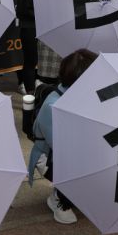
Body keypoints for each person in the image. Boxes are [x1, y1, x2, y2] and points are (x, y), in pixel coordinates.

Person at [28, 48, 97, 224]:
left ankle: (68, 191)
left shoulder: (80, 96)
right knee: (82, 163)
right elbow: (62, 149)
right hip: (49, 156)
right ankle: (60, 200)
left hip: (71, 149)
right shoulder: (54, 106)